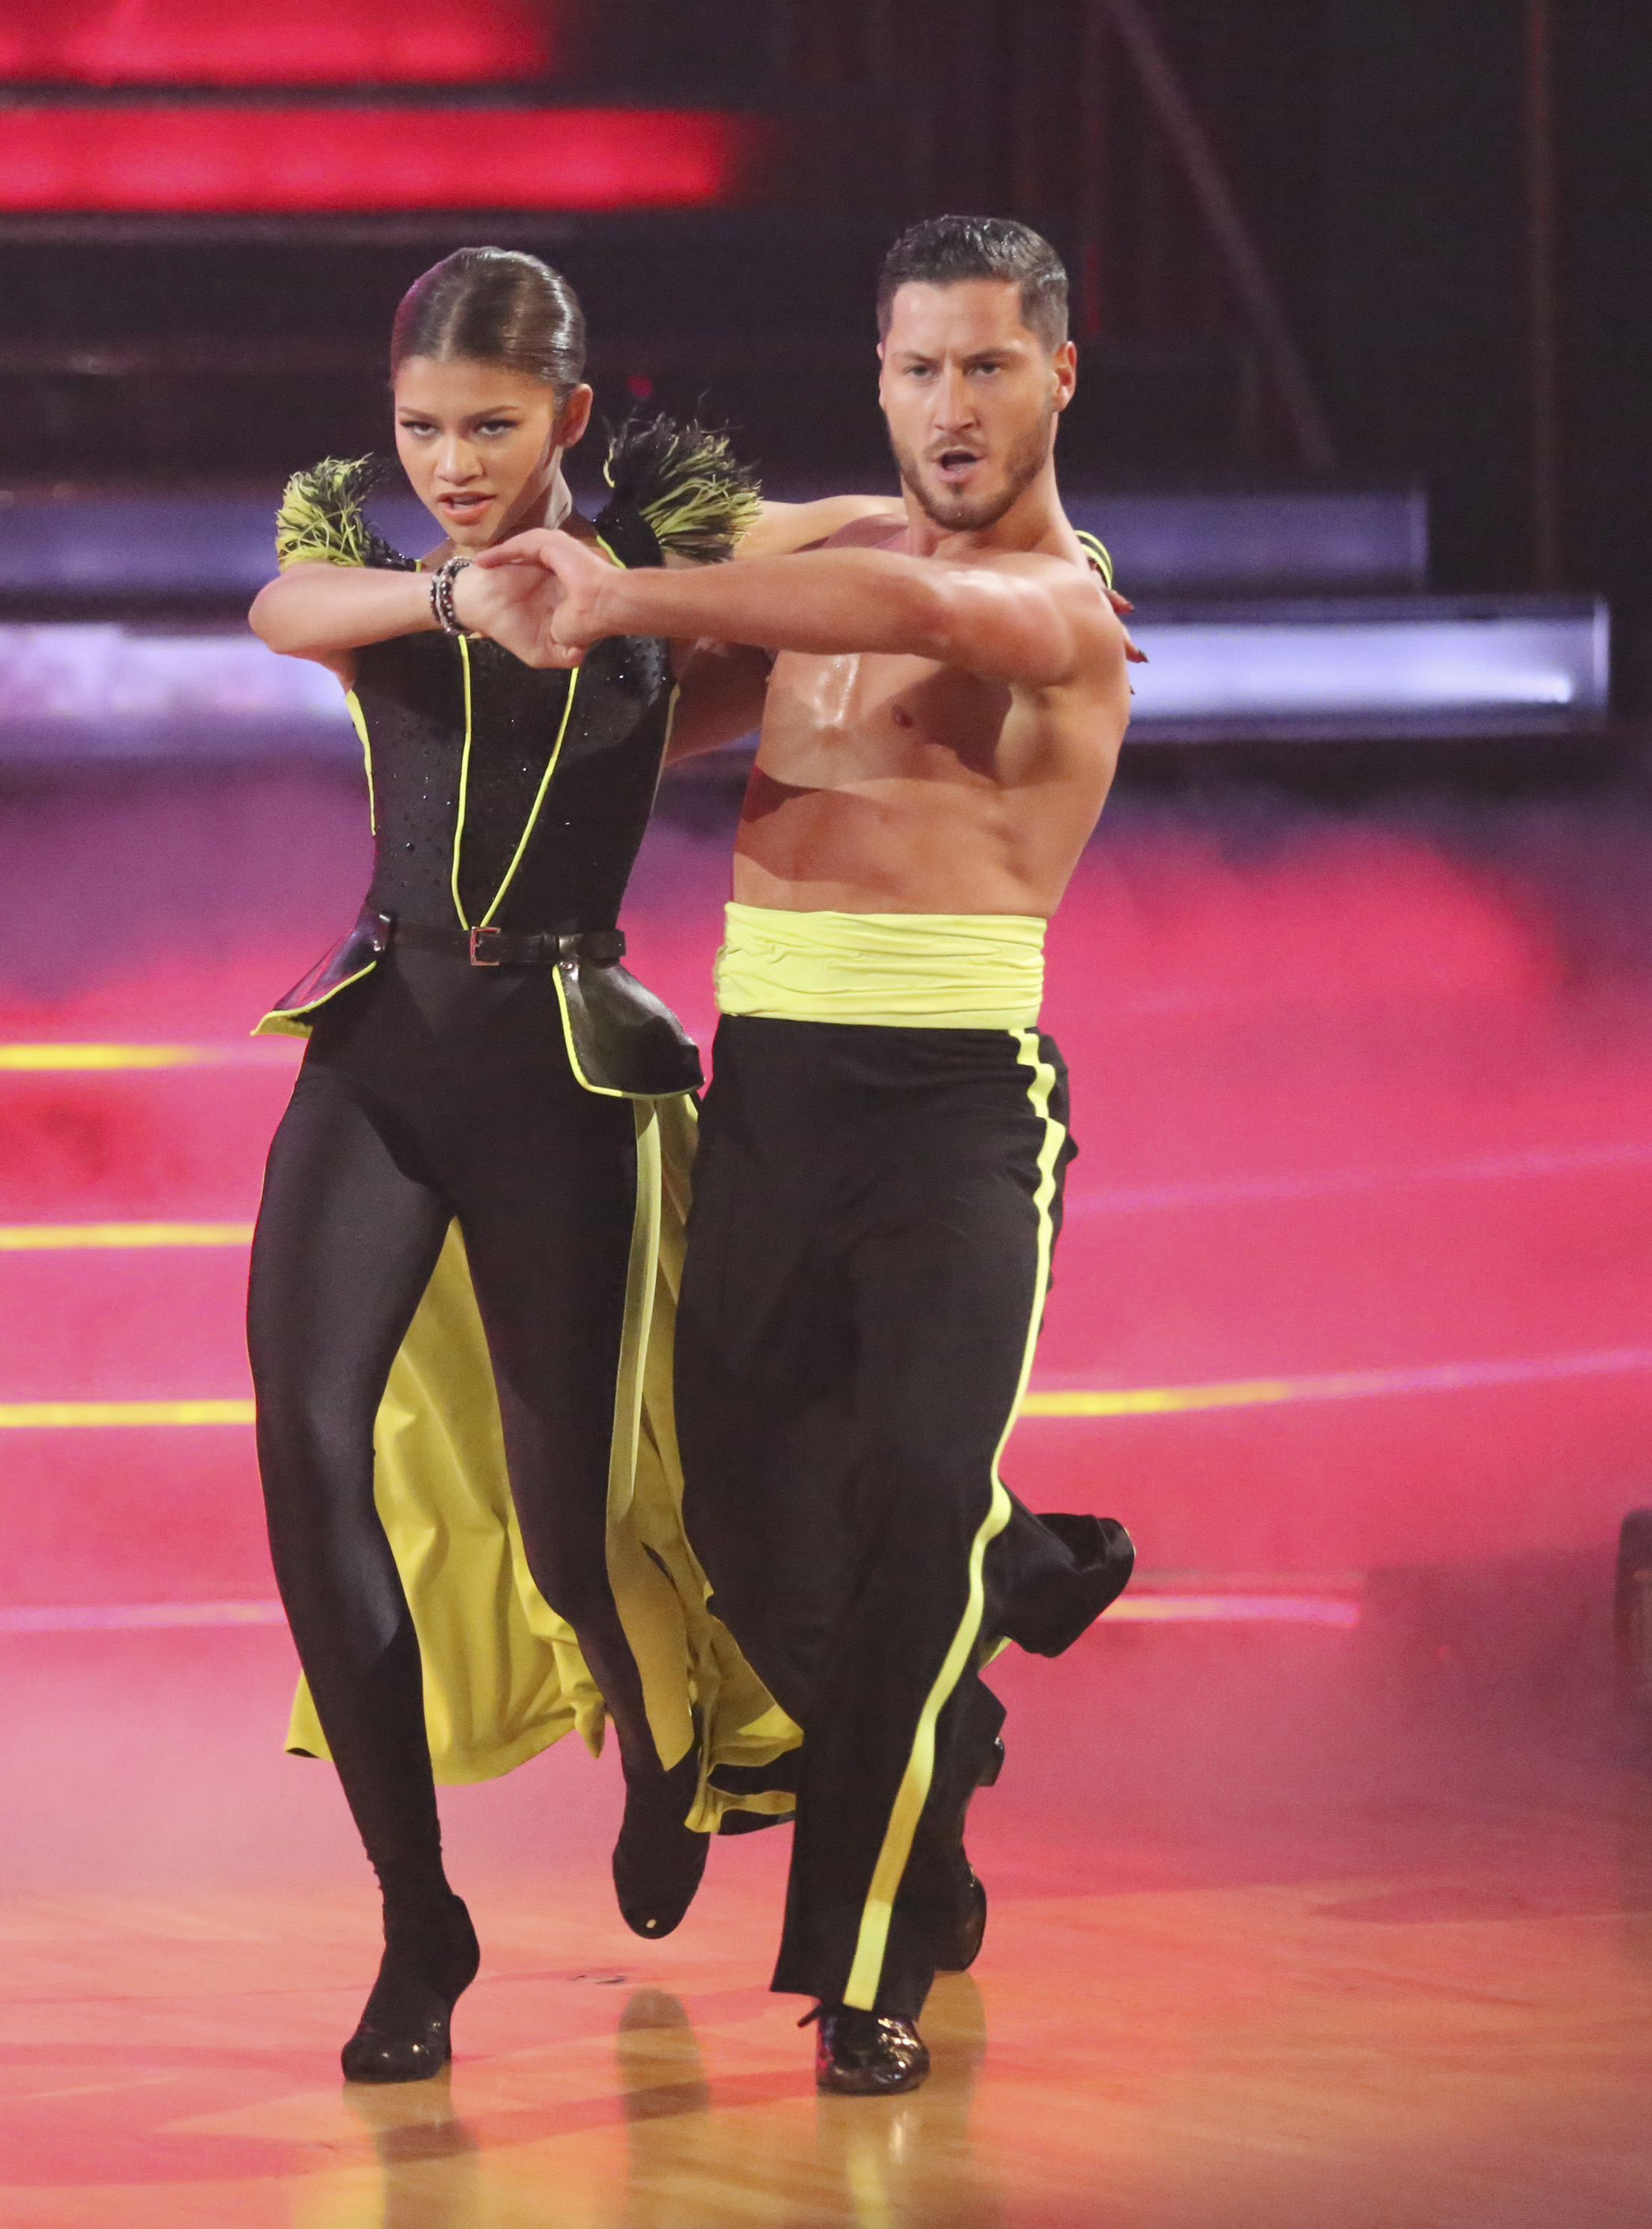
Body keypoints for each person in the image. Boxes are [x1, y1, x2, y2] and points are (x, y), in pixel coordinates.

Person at [473, 214, 1139, 2095]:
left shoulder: (1055, 608)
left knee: (910, 1503)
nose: (952, 403)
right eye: (919, 366)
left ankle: (863, 1981)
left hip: (953, 1116)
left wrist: (615, 597)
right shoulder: (825, 550)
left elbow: (917, 614)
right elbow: (620, 531)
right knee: (755, 1534)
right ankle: (982, 1683)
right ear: (877, 376)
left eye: (990, 365)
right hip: (757, 1095)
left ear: (1057, 377)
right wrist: (490, 558)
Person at [245, 246, 867, 2085]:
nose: (449, 456)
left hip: (566, 1074)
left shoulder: (655, 556)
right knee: (302, 1447)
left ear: (571, 420)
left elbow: (838, 533)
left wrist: (1019, 553)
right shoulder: (370, 558)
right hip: (378, 1056)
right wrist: (452, 589)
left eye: (491, 428)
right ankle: (415, 1920)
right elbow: (282, 610)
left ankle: (670, 1747)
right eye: (422, 425)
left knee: (575, 1519)